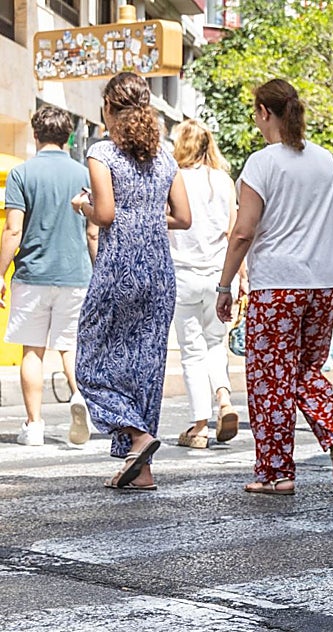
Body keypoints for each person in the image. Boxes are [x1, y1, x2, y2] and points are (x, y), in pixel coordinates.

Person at [215, 78, 333, 496]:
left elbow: (244, 231)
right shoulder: (327, 161)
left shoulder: (262, 163)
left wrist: (225, 284)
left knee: (270, 380)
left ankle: (276, 472)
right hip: (321, 286)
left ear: (265, 112)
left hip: (276, 286)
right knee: (303, 370)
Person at [72, 73, 191, 490]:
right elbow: (183, 217)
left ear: (108, 107)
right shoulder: (165, 157)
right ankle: (141, 469)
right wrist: (144, 216)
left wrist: (83, 205)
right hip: (159, 272)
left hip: (119, 267)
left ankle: (137, 436)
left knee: (89, 363)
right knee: (145, 367)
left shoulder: (102, 151)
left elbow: (103, 214)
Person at [0, 105, 94, 448]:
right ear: (68, 136)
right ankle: (79, 395)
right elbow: (93, 231)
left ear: (36, 134)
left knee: (33, 351)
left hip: (33, 273)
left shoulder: (22, 174)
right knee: (69, 346)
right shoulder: (83, 173)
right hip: (76, 274)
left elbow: (13, 230)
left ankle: (34, 425)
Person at [168, 118, 241, 449]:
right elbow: (233, 231)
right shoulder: (223, 181)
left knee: (192, 352)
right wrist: (241, 277)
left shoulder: (173, 178)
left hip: (182, 275)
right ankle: (224, 399)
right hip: (218, 276)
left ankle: (198, 427)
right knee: (215, 343)